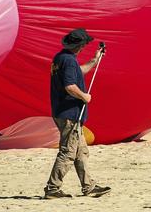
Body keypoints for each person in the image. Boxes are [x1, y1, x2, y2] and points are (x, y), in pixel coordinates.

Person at [43, 28, 110, 199]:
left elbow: (78, 72)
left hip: (63, 112)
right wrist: (84, 96)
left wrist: (95, 60)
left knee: (81, 151)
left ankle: (89, 186)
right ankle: (52, 188)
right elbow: (70, 86)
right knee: (68, 152)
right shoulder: (68, 61)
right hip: (69, 113)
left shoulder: (61, 58)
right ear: (80, 46)